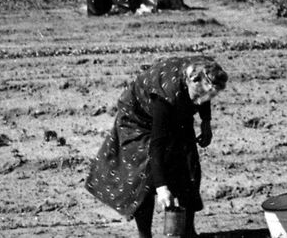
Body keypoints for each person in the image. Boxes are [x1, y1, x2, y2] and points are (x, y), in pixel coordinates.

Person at [86, 56, 228, 238]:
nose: (201, 101)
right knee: (144, 172)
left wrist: (206, 122)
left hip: (178, 106)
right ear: (192, 80)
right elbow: (157, 145)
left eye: (208, 96)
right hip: (138, 120)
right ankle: (144, 234)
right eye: (199, 95)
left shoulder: (206, 71)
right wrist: (162, 188)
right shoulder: (166, 95)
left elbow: (206, 93)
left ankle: (187, 231)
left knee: (188, 162)